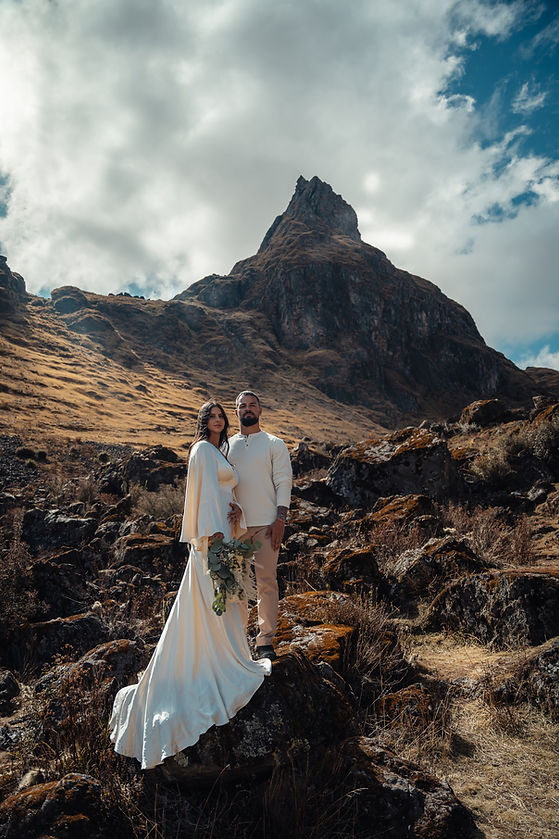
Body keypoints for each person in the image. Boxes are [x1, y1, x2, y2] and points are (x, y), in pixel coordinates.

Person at [109, 400, 271, 770]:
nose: (218, 420)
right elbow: (199, 495)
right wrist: (211, 535)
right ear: (204, 422)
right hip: (211, 540)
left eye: (220, 416)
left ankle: (232, 658)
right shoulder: (201, 449)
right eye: (212, 416)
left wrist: (238, 512)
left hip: (226, 534)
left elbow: (225, 494)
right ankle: (213, 667)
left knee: (231, 602)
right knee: (214, 601)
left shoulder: (220, 451)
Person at [228, 390, 292, 661]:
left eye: (252, 405)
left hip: (267, 525)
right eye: (243, 406)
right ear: (236, 412)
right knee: (237, 586)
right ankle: (240, 640)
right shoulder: (226, 446)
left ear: (260, 410)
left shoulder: (274, 444)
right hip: (236, 527)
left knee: (267, 583)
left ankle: (265, 640)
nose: (248, 409)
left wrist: (280, 519)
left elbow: (283, 482)